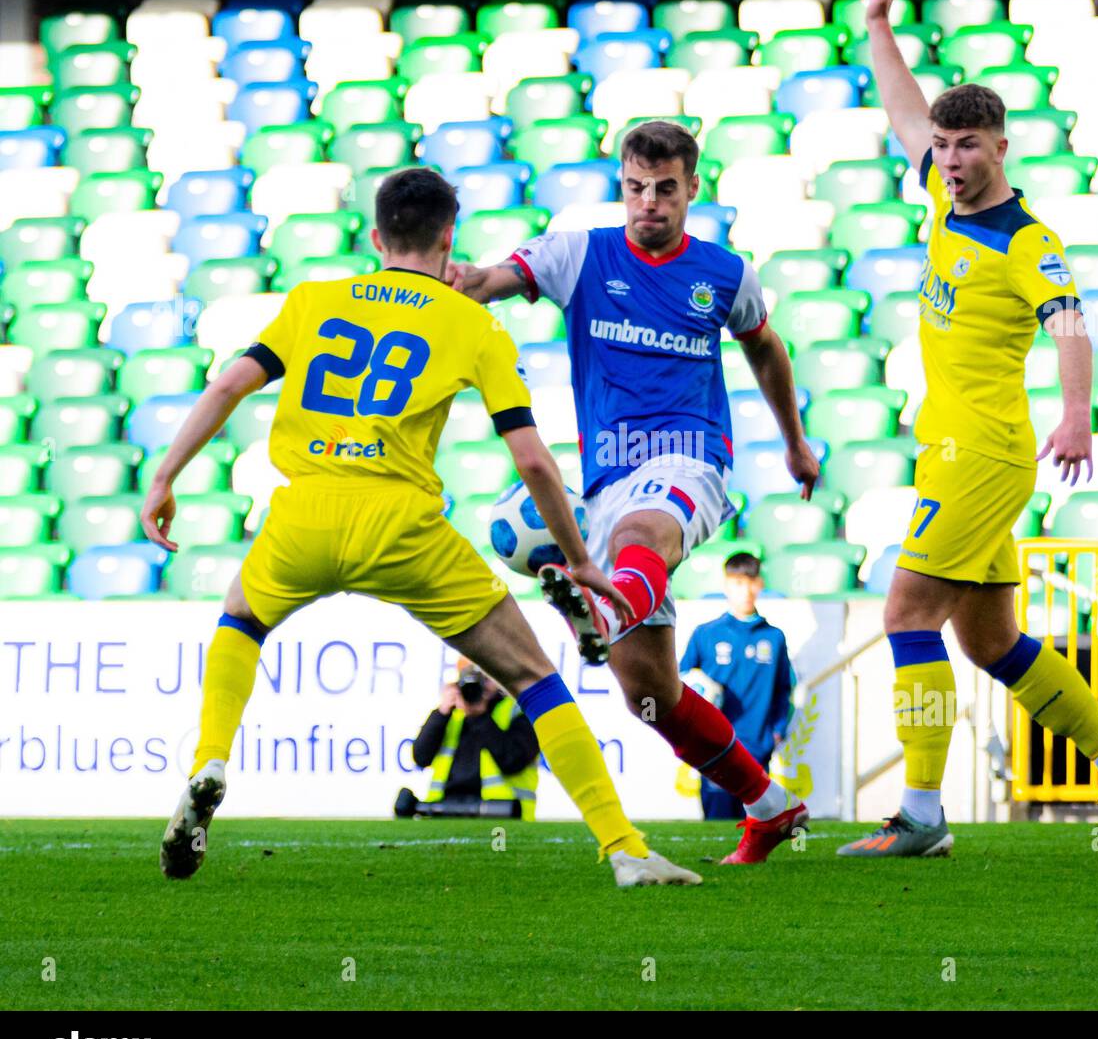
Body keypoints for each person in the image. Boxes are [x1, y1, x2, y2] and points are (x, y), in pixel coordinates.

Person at [142, 167, 700, 887]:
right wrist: (580, 559)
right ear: (449, 236)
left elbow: (226, 384)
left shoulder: (314, 300)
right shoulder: (473, 324)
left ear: (376, 237)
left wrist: (164, 479)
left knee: (241, 620)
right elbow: (532, 460)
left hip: (306, 512)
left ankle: (210, 760)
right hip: (403, 527)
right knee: (532, 677)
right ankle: (623, 849)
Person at [835, 0, 1098, 861]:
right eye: (943, 147)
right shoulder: (941, 200)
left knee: (905, 615)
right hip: (952, 447)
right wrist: (877, 28)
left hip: (981, 454)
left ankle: (921, 814)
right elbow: (906, 106)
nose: (948, 160)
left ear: (1001, 148)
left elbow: (1071, 327)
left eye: (966, 146)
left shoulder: (1028, 240)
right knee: (990, 640)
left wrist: (1076, 417)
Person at [447, 121, 820, 864]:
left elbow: (766, 348)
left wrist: (794, 440)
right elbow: (485, 284)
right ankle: (769, 806)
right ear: (621, 184)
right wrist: (444, 276)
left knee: (637, 539)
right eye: (635, 188)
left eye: (665, 190)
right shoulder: (579, 253)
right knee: (651, 696)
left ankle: (605, 596)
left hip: (691, 462)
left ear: (692, 189)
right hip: (608, 481)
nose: (648, 203)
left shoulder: (725, 273)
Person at [679, 553, 795, 821]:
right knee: (718, 824)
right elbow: (680, 682)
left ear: (760, 584)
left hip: (757, 746)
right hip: (715, 745)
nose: (744, 590)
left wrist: (777, 730)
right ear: (726, 586)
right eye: (737, 583)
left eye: (750, 582)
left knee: (754, 825)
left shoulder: (774, 637)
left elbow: (784, 690)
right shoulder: (705, 633)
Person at [410, 659, 540, 818]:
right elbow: (421, 757)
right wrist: (441, 712)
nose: (480, 685)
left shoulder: (517, 711)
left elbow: (513, 760)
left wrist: (480, 716)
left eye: (486, 677)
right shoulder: (452, 714)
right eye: (470, 677)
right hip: (445, 809)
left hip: (501, 812)